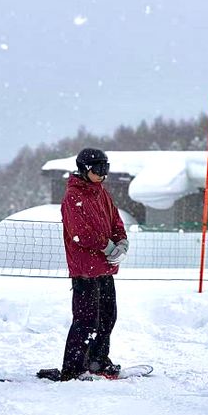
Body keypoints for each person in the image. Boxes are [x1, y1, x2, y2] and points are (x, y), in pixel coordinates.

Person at [58, 147, 129, 381]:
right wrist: (108, 246)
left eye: (105, 169)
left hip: (104, 267)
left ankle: (98, 360)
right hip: (85, 269)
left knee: (108, 316)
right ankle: (73, 367)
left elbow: (116, 219)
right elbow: (80, 233)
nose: (102, 175)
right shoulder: (73, 196)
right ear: (85, 169)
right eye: (98, 169)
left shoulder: (101, 193)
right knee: (86, 320)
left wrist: (122, 241)